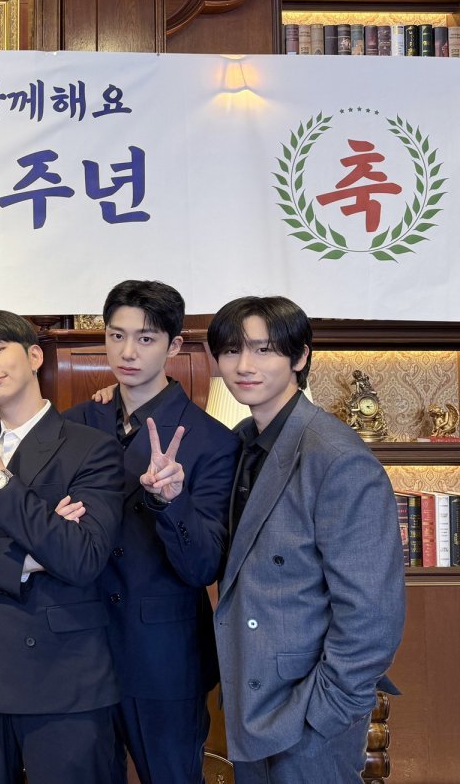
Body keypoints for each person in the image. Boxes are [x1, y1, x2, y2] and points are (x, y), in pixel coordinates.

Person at [0, 309, 124, 784]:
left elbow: (81, 557)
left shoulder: (90, 447)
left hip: (65, 676)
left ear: (34, 357)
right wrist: (30, 558)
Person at [207, 295, 404, 783]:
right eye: (231, 350)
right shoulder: (242, 441)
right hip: (252, 701)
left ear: (299, 357)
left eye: (264, 349)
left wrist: (325, 712)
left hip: (308, 710)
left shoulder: (336, 457)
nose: (244, 365)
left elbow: (372, 614)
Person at [62, 280, 238, 784]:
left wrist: (170, 501)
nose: (127, 352)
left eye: (145, 339)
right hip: (79, 648)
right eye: (116, 336)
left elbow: (204, 566)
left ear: (174, 346)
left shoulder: (212, 441)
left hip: (165, 656)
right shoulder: (75, 424)